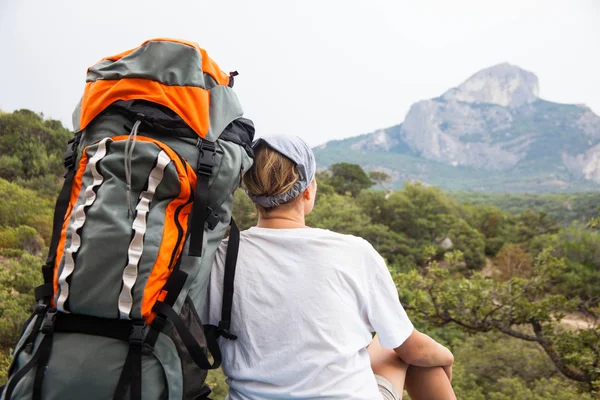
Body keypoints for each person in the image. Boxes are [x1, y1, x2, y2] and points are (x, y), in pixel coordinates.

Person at [203, 136, 456, 400]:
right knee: (408, 350)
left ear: (252, 194)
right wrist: (446, 358)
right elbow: (414, 352)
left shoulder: (220, 257)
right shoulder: (353, 252)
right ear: (308, 190)